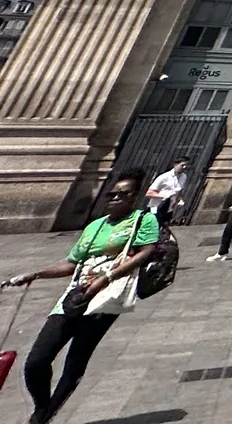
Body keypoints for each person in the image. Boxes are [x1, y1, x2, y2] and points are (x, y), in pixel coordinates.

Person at [4, 169, 160, 424]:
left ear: (135, 197)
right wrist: (35, 274)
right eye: (112, 194)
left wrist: (105, 279)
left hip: (105, 298)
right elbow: (71, 264)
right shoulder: (94, 226)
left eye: (124, 194)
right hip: (74, 296)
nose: (116, 198)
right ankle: (42, 405)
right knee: (36, 361)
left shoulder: (142, 220)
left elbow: (146, 252)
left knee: (76, 358)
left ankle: (45, 415)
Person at [144, 159, 188, 226]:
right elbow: (149, 193)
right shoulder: (164, 177)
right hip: (156, 208)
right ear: (175, 165)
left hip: (169, 210)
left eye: (185, 166)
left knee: (163, 230)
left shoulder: (183, 177)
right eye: (182, 165)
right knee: (152, 228)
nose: (184, 167)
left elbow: (179, 192)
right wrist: (165, 196)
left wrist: (180, 200)